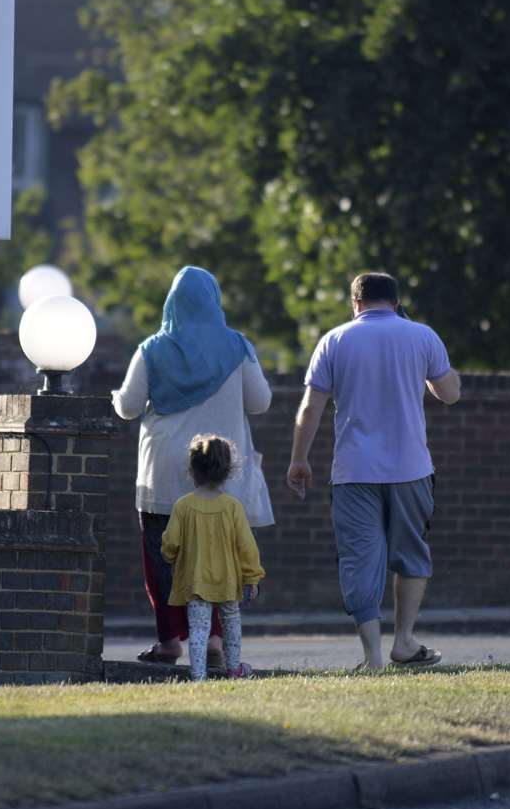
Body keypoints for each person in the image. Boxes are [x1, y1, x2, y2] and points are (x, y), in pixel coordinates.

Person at [286, 272, 461, 671]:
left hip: (353, 472)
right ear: (396, 302)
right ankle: (404, 641)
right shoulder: (423, 336)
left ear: (356, 303)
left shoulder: (334, 340)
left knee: (358, 559)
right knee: (411, 552)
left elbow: (311, 407)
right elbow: (449, 394)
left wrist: (300, 458)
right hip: (412, 469)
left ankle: (373, 657)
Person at [112, 266, 272, 672]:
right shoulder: (238, 347)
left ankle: (169, 642)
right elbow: (261, 402)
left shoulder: (152, 348)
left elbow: (129, 407)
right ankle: (216, 639)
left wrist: (116, 397)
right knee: (219, 554)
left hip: (162, 474)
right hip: (221, 472)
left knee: (162, 557)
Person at [161, 434, 265, 680]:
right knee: (231, 625)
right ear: (227, 471)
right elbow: (247, 547)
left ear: (193, 469)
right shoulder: (232, 507)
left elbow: (171, 543)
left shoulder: (183, 506)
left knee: (198, 629)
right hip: (228, 580)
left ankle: (198, 675)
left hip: (196, 580)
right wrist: (252, 577)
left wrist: (169, 555)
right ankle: (233, 669)